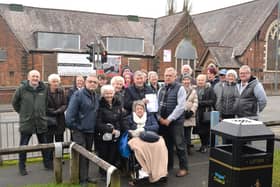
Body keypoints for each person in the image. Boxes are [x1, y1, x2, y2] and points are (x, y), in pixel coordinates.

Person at [12, 70, 52, 176]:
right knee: (23, 146)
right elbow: (14, 103)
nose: (35, 78)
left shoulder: (44, 89)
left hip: (41, 122)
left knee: (44, 146)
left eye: (37, 76)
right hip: (27, 123)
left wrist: (41, 113)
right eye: (33, 76)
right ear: (29, 78)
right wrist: (23, 113)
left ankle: (47, 164)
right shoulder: (21, 89)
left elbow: (46, 103)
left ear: (40, 78)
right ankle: (22, 167)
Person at [65, 74, 99, 186]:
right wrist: (77, 128)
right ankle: (82, 180)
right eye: (90, 81)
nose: (92, 84)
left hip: (90, 131)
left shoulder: (95, 95)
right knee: (82, 155)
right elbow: (69, 117)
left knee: (88, 155)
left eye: (95, 82)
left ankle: (85, 176)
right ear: (85, 82)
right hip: (79, 131)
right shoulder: (78, 95)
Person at [124, 100, 168, 184]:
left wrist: (144, 129)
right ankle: (143, 172)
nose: (140, 110)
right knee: (140, 148)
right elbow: (126, 129)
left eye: (141, 108)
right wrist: (135, 132)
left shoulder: (150, 117)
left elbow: (156, 127)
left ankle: (160, 173)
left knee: (161, 144)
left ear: (144, 109)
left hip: (150, 137)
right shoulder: (129, 118)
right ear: (134, 110)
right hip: (136, 138)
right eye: (137, 109)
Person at [157, 67, 188, 177]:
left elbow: (181, 107)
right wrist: (159, 118)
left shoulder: (180, 88)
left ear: (175, 77)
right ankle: (168, 166)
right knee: (166, 146)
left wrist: (169, 119)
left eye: (170, 75)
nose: (168, 77)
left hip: (175, 122)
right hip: (162, 122)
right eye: (166, 75)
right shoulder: (161, 88)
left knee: (179, 146)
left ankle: (184, 168)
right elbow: (157, 104)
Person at [96, 85, 122, 176]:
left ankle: (111, 173)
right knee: (104, 154)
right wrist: (111, 130)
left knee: (113, 154)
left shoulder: (117, 103)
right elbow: (98, 122)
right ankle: (103, 173)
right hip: (103, 134)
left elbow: (119, 118)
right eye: (106, 93)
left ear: (114, 93)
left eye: (111, 93)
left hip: (115, 134)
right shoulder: (99, 104)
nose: (109, 95)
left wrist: (118, 130)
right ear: (102, 94)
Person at [46, 74, 67, 162]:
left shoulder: (61, 91)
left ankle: (59, 158)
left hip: (60, 120)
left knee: (59, 141)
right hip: (49, 121)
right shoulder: (45, 92)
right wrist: (51, 111)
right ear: (49, 82)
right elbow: (43, 105)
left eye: (57, 81)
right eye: (53, 81)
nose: (55, 83)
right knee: (49, 142)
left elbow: (65, 104)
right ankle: (49, 160)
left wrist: (57, 111)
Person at [194, 74, 216, 153]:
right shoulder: (195, 89)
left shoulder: (210, 89)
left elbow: (212, 101)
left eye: (202, 80)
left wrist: (200, 103)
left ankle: (205, 145)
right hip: (196, 113)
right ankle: (203, 145)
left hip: (205, 112)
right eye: (199, 80)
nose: (200, 82)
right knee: (199, 130)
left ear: (205, 81)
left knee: (205, 131)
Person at [182, 74, 198, 155]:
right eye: (185, 80)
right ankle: (182, 149)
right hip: (181, 114)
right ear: (182, 81)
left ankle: (188, 148)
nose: (186, 81)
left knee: (188, 133)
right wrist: (182, 111)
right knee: (181, 133)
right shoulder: (180, 90)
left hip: (190, 115)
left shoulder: (193, 91)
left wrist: (192, 111)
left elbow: (195, 102)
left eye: (188, 80)